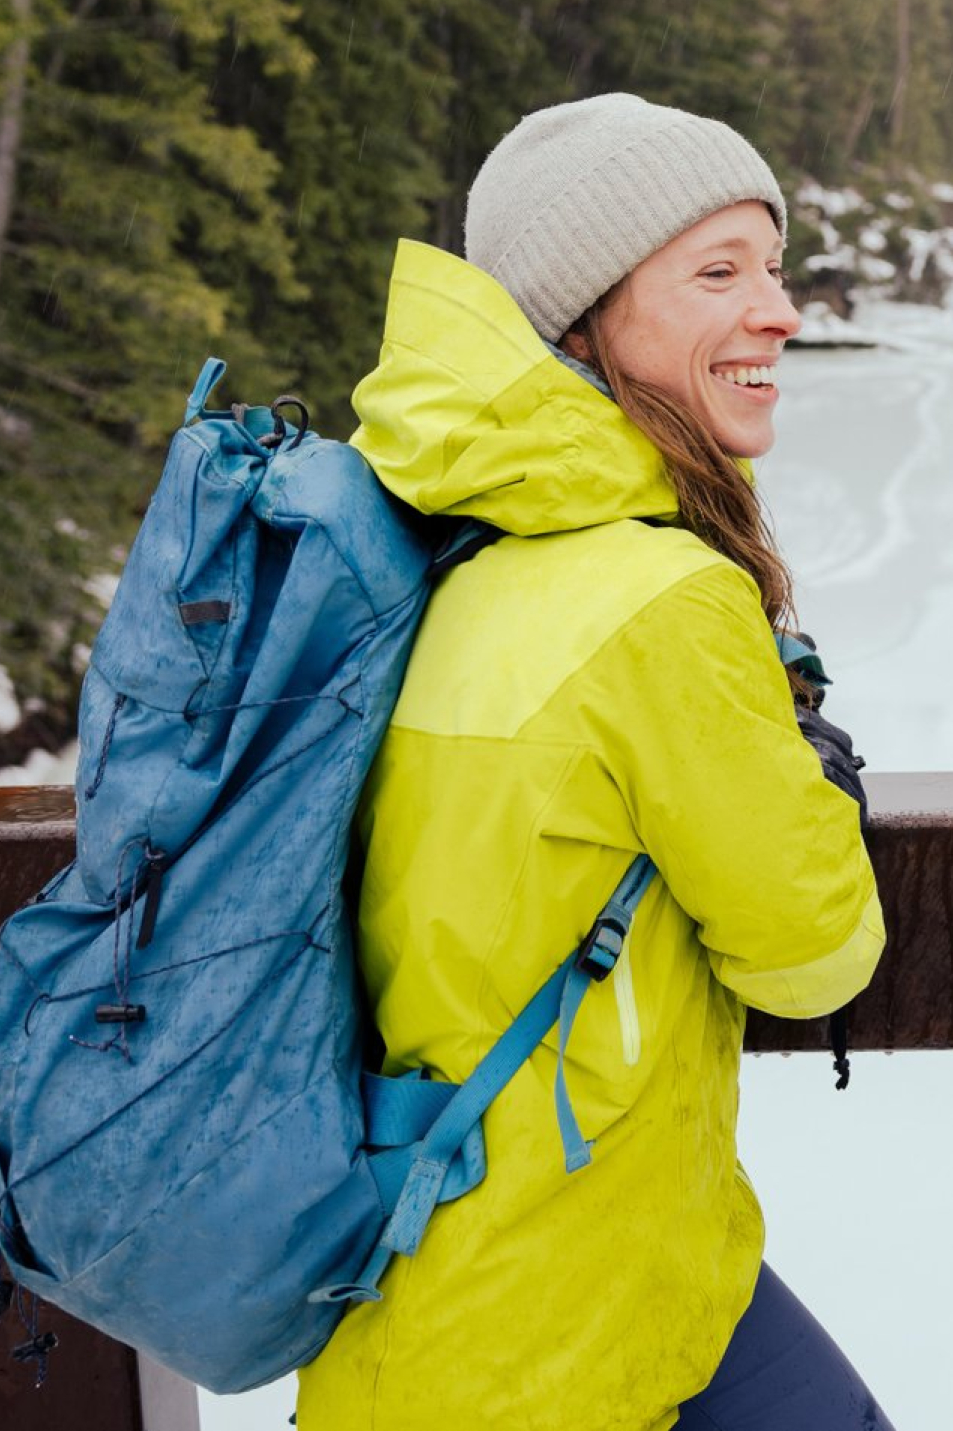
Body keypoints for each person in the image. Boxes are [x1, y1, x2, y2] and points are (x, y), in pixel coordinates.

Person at [295, 95, 891, 1431]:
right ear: (583, 323)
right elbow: (813, 957)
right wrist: (812, 792)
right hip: (548, 1336)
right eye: (717, 273)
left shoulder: (450, 541)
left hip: (479, 1282)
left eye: (774, 268)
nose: (780, 313)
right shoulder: (659, 599)